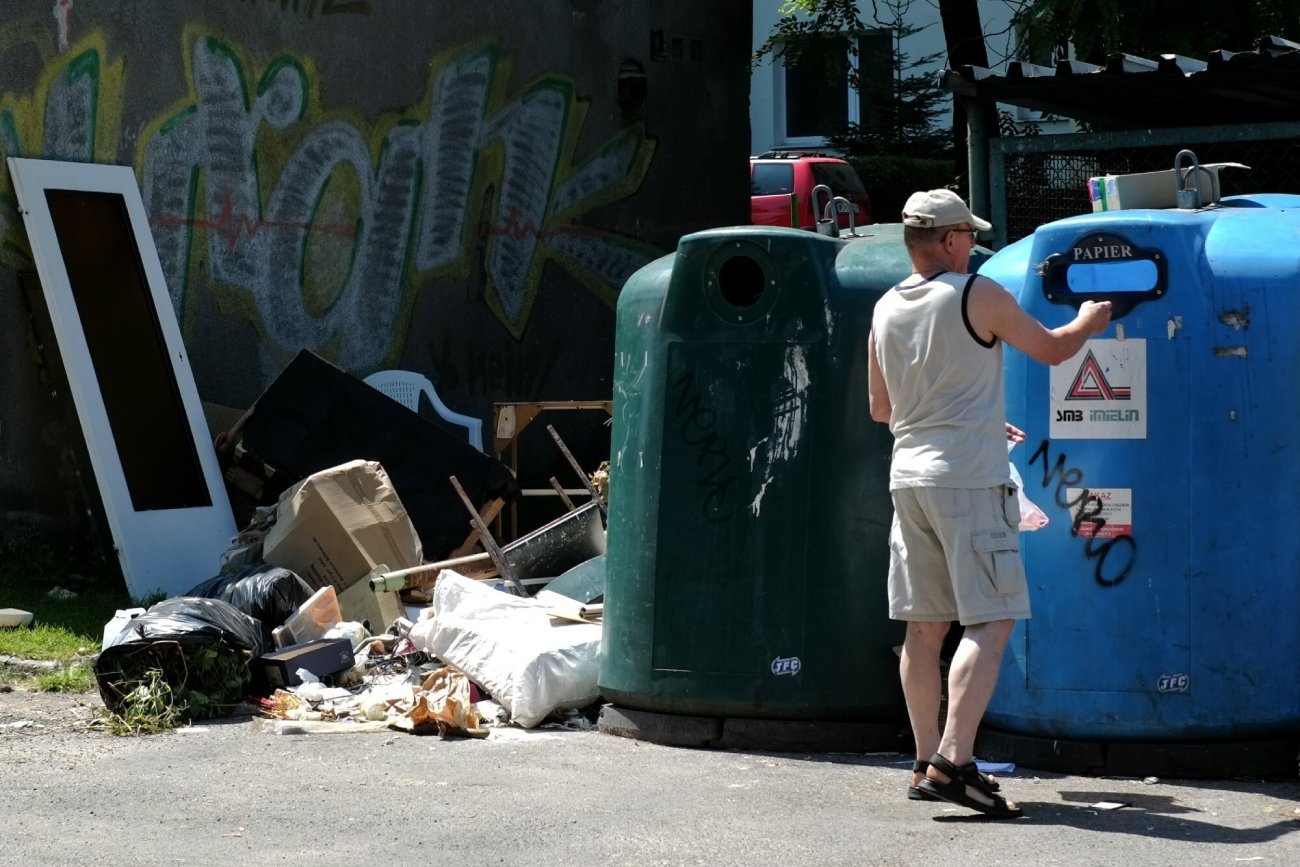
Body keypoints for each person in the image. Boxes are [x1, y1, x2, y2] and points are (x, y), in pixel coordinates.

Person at [867, 189, 1112, 818]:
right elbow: (1055, 348)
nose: (974, 245)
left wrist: (971, 419)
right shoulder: (976, 292)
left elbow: (884, 410)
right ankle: (954, 761)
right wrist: (1090, 320)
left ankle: (926, 762)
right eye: (968, 237)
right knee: (992, 618)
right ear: (948, 240)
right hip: (969, 482)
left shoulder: (886, 306)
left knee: (924, 628)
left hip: (909, 477)